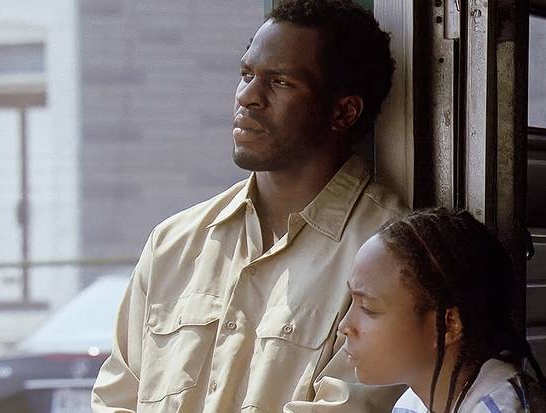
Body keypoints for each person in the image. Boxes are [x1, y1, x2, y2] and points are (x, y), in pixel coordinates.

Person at [91, 1, 406, 412]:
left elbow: (351, 406)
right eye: (246, 75)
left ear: (343, 111)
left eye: (280, 82)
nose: (248, 97)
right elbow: (115, 400)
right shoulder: (174, 244)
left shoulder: (390, 253)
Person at [336, 209, 546, 413]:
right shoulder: (413, 404)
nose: (344, 326)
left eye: (368, 308)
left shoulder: (502, 407)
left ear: (449, 324)